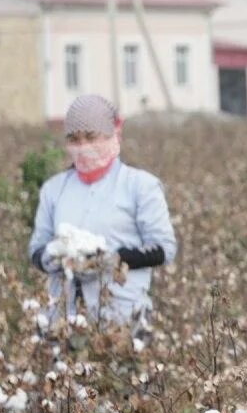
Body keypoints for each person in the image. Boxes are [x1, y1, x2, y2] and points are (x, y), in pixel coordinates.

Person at [29, 95, 178, 336]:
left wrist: (114, 259)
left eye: (90, 137)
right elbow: (37, 247)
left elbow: (164, 249)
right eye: (74, 139)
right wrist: (53, 258)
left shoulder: (140, 186)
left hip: (123, 318)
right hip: (63, 319)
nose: (83, 146)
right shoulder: (54, 189)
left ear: (112, 136)